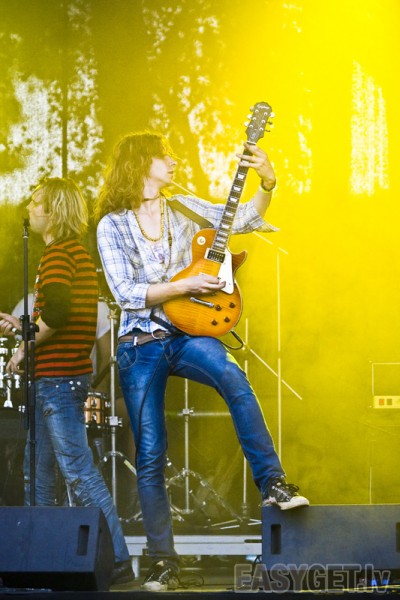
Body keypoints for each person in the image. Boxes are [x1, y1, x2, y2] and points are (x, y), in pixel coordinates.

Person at [94, 131, 309, 592]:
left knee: (234, 377)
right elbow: (126, 293)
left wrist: (268, 182)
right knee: (151, 452)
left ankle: (273, 482)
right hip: (140, 343)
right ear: (140, 163)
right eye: (164, 156)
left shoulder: (184, 207)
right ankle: (164, 563)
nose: (173, 162)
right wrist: (185, 286)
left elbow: (245, 218)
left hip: (188, 333)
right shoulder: (112, 225)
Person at [0, 177, 134, 586]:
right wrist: (21, 327)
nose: (29, 207)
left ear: (54, 210)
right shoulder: (73, 254)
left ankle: (119, 560)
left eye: (36, 201)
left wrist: (23, 347)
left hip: (59, 381)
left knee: (77, 471)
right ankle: (39, 559)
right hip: (56, 379)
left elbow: (56, 316)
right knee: (37, 472)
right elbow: (60, 313)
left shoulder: (58, 255)